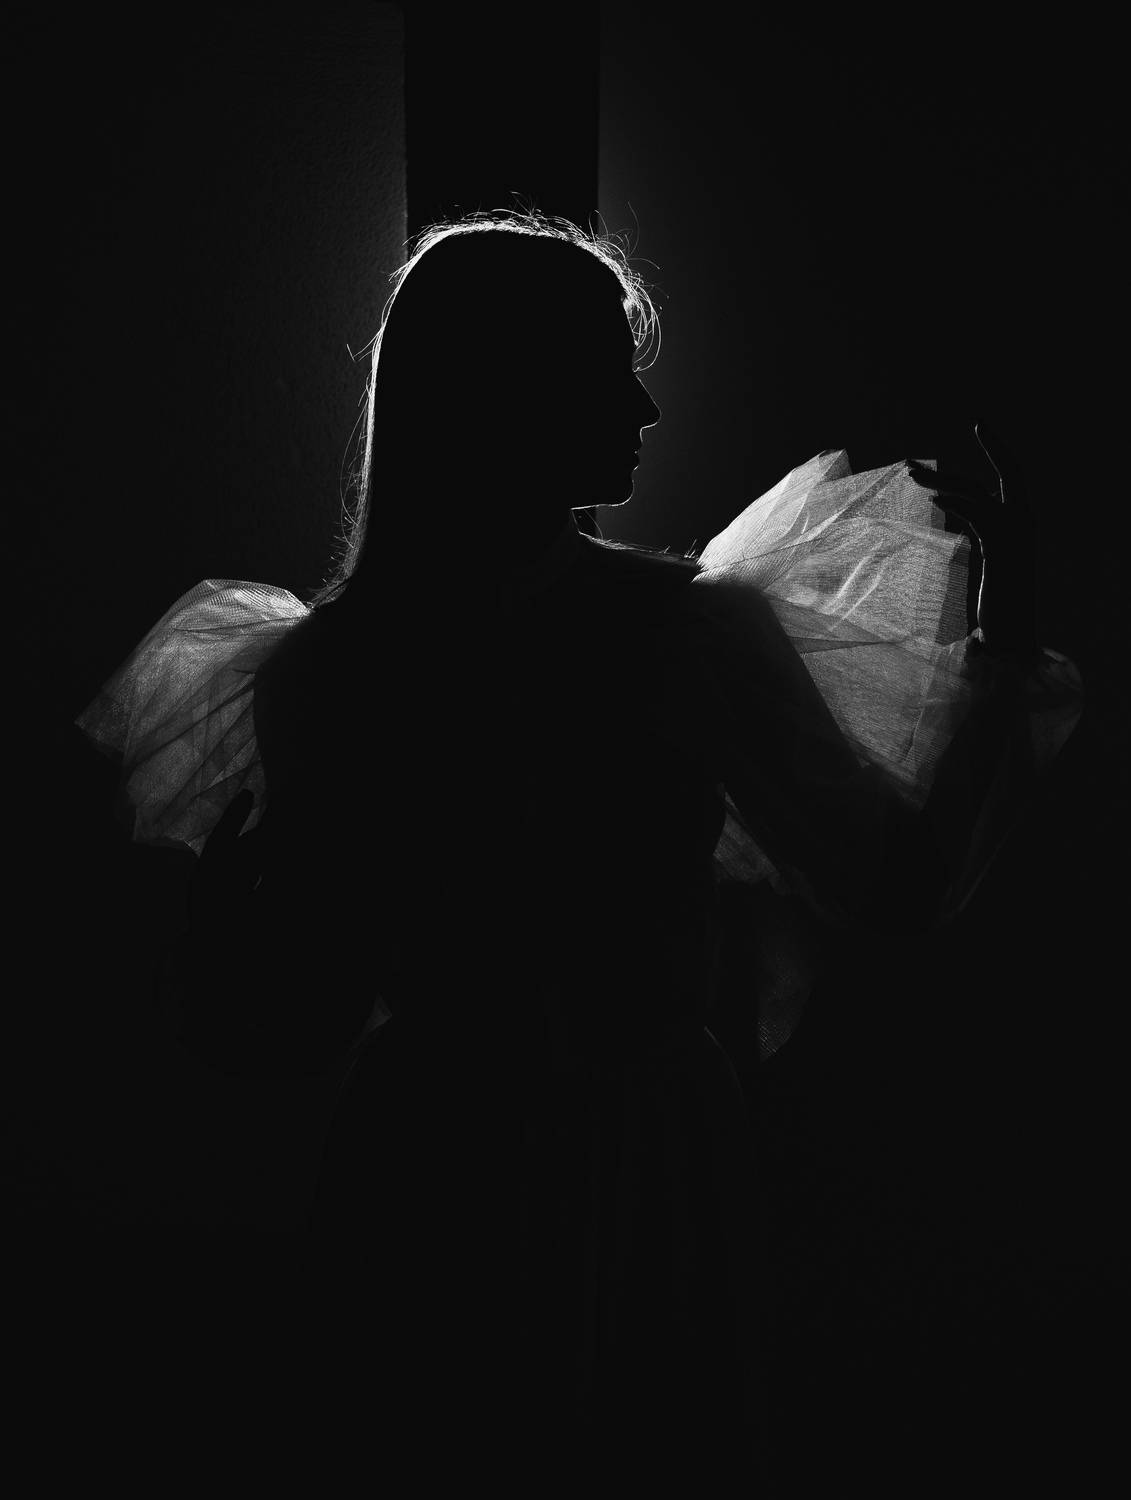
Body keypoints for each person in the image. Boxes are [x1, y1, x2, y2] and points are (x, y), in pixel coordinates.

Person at [76, 209, 1082, 1481]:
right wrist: (1004, 642)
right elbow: (898, 881)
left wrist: (238, 951)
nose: (646, 409)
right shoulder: (668, 637)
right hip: (594, 1171)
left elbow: (307, 1019)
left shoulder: (337, 670)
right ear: (505, 393)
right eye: (607, 369)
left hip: (448, 1165)